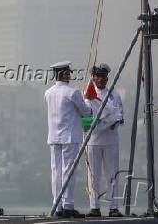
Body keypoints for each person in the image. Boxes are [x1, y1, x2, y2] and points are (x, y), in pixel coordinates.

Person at [44, 61, 91, 218]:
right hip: (69, 137)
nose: (69, 75)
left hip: (54, 137)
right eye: (68, 73)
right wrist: (87, 103)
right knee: (68, 171)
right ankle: (68, 206)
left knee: (55, 172)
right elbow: (86, 112)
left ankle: (57, 205)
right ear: (64, 74)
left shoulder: (48, 92)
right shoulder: (73, 92)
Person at [84, 63, 124, 217]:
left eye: (103, 77)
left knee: (112, 175)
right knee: (93, 176)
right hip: (93, 141)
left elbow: (119, 117)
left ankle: (114, 207)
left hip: (110, 140)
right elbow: (86, 120)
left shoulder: (114, 95)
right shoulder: (87, 95)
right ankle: (94, 207)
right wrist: (107, 118)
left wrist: (106, 120)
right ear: (93, 78)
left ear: (107, 78)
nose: (101, 79)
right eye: (98, 76)